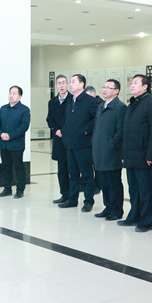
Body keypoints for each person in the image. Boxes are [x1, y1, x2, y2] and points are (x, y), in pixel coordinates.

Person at [118, 74, 152, 232]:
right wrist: (123, 154)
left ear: (145, 87)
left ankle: (146, 220)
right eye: (131, 83)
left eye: (136, 83)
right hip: (130, 155)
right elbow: (126, 132)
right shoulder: (132, 104)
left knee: (146, 190)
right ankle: (134, 216)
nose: (132, 85)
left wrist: (150, 155)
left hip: (144, 156)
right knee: (134, 189)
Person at [59, 74, 99, 212]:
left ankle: (88, 201)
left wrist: (85, 130)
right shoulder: (71, 100)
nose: (70, 84)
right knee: (73, 174)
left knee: (87, 175)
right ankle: (72, 199)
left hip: (83, 144)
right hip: (70, 144)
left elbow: (97, 118)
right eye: (70, 82)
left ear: (82, 84)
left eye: (73, 82)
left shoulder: (90, 101)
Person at [91, 79, 126, 221]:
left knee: (114, 182)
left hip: (112, 152)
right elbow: (96, 128)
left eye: (108, 87)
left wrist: (111, 144)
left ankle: (116, 210)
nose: (104, 90)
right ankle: (108, 207)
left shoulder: (120, 107)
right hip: (99, 150)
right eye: (104, 87)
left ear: (116, 91)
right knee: (103, 182)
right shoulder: (101, 106)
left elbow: (121, 131)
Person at [0, 85, 31, 199]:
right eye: (10, 93)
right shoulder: (3, 108)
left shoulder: (24, 110)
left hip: (16, 144)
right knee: (5, 166)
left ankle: (20, 190)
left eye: (14, 93)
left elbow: (24, 126)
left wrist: (10, 135)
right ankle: (7, 189)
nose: (11, 95)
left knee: (18, 167)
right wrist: (1, 134)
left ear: (20, 96)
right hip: (4, 144)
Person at [46, 75, 73, 204]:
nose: (61, 85)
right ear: (56, 85)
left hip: (71, 139)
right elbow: (49, 119)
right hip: (59, 139)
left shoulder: (73, 99)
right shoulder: (52, 102)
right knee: (61, 170)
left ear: (67, 84)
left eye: (63, 83)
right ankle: (64, 194)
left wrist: (66, 130)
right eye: (59, 83)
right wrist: (56, 130)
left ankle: (73, 196)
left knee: (73, 170)